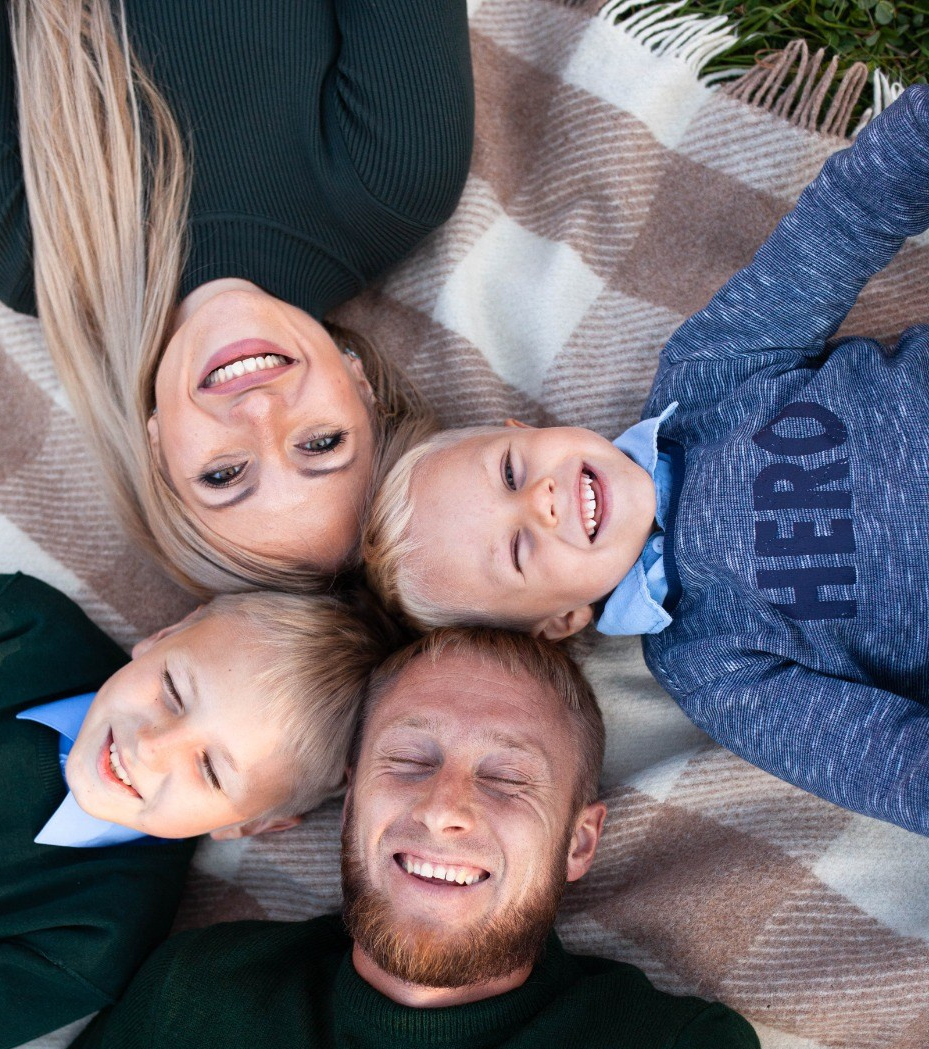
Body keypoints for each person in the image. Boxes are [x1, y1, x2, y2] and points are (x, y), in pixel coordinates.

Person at [0, 628, 877, 1049]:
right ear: (349, 803)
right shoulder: (200, 1000)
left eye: (510, 776)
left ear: (579, 842)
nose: (445, 807)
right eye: (407, 759)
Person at [363, 85, 929, 836]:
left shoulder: (708, 376)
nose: (544, 502)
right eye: (521, 548)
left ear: (523, 426)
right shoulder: (708, 665)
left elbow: (838, 230)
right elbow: (886, 760)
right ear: (559, 621)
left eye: (509, 472)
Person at [0, 0, 473, 593]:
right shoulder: (397, 177)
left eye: (224, 474)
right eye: (322, 443)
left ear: (157, 454)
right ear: (362, 386)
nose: (260, 412)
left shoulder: (32, 254)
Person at [0, 572, 393, 1049]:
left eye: (211, 771)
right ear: (166, 634)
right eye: (174, 692)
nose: (152, 746)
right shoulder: (11, 625)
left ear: (245, 827)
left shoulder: (93, 940)